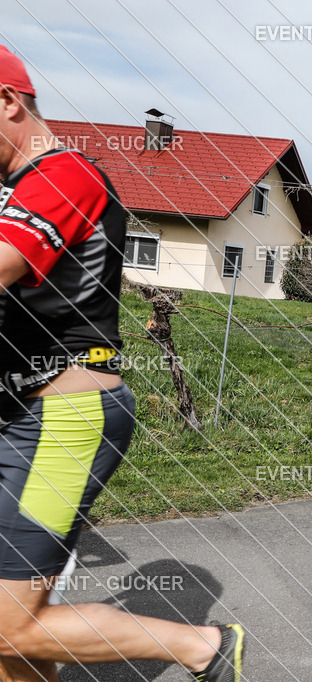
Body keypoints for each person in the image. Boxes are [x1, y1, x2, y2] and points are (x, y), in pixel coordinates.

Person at [0, 46, 244, 681]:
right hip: (25, 417)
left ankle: (204, 648)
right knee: (12, 630)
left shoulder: (62, 177)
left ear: (8, 101)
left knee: (8, 626)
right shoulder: (18, 190)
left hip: (63, 420)